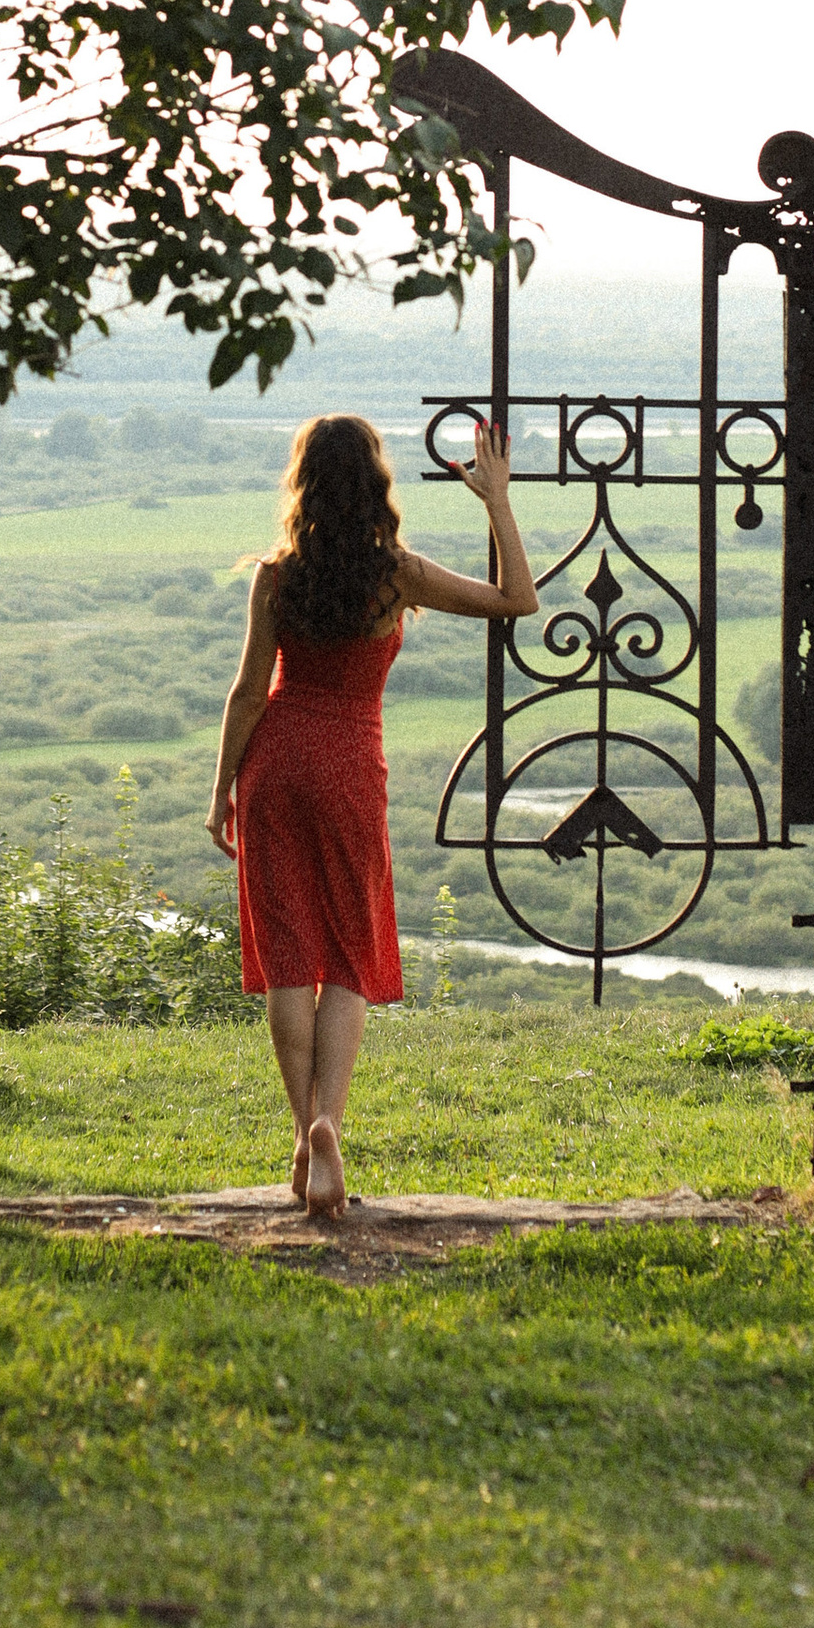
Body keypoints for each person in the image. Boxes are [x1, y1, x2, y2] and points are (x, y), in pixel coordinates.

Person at [208, 412, 538, 1219]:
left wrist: (222, 786)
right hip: (352, 766)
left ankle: (300, 1136)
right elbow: (517, 601)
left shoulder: (276, 575)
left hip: (277, 764)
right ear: (376, 485)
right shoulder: (398, 575)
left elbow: (250, 691)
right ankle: (330, 1123)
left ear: (304, 484)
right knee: (350, 950)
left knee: (288, 953)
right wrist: (495, 499)